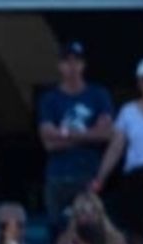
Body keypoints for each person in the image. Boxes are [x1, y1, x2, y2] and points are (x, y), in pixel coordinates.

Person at [38, 42, 115, 228]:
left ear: (83, 65)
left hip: (89, 175)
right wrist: (88, 135)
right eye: (67, 61)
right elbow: (47, 140)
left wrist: (64, 134)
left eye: (76, 61)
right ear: (59, 65)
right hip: (58, 177)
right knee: (57, 232)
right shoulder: (50, 99)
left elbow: (106, 133)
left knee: (92, 230)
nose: (72, 67)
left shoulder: (98, 94)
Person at [91, 57, 143, 244]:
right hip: (137, 180)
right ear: (140, 83)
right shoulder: (128, 111)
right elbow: (116, 147)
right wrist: (100, 178)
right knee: (135, 239)